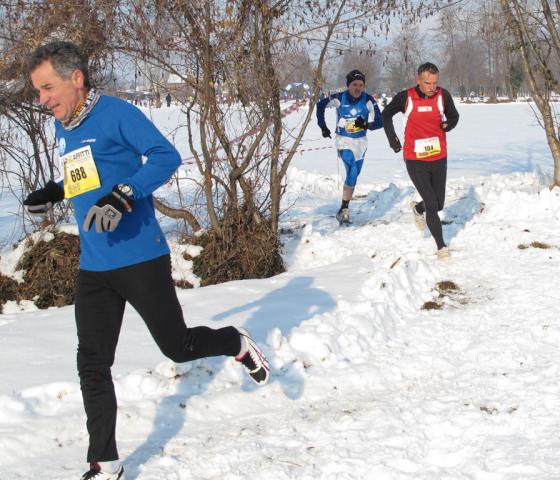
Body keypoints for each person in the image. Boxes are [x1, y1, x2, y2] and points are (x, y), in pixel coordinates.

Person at [24, 41, 270, 480]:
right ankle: (105, 460)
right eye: (38, 91)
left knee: (178, 347)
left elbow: (165, 157)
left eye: (47, 88)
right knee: (92, 362)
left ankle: (235, 342)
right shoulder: (67, 125)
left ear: (75, 78)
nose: (42, 100)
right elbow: (86, 173)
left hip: (140, 258)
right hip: (94, 266)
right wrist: (55, 190)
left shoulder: (117, 114)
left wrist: (124, 195)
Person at [382, 62, 459, 259]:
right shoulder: (406, 97)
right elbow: (386, 114)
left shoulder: (443, 95)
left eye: (435, 82)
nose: (432, 87)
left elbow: (454, 116)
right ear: (418, 80)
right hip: (415, 158)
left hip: (438, 155)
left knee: (439, 203)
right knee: (433, 204)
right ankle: (441, 247)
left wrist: (447, 124)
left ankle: (418, 208)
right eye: (427, 83)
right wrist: (393, 139)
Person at [316, 69, 382, 225]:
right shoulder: (340, 98)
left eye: (361, 85)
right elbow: (320, 106)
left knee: (354, 174)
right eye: (354, 85)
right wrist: (323, 126)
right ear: (348, 85)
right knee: (352, 168)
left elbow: (380, 121)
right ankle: (345, 209)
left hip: (361, 142)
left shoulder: (368, 100)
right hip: (343, 141)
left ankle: (343, 207)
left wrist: (365, 124)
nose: (358, 88)